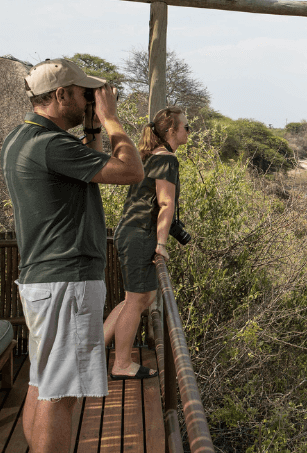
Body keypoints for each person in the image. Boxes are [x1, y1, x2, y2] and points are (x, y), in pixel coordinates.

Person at [1, 58, 143, 453]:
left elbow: (86, 169)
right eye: (84, 94)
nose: (90, 101)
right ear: (60, 94)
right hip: (67, 279)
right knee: (61, 394)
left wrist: (93, 127)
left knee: (44, 382)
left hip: (43, 279)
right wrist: (112, 119)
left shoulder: (21, 138)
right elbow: (131, 171)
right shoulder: (52, 145)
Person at [103, 107, 189, 380]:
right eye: (186, 127)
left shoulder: (152, 156)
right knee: (138, 300)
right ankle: (121, 364)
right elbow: (165, 204)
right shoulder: (167, 160)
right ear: (172, 131)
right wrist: (161, 244)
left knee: (137, 297)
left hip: (131, 231)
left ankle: (94, 350)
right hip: (140, 233)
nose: (189, 131)